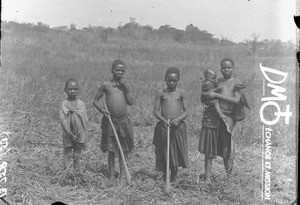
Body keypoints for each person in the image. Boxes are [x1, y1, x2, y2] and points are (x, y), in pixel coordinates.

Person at [198, 58, 249, 183]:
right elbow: (206, 96)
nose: (226, 69)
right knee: (209, 148)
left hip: (228, 118)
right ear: (220, 68)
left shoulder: (236, 82)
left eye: (229, 67)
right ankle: (208, 177)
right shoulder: (217, 81)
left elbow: (236, 100)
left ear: (233, 68)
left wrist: (217, 95)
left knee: (227, 149)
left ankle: (229, 179)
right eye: (224, 67)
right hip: (213, 116)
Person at [93, 59, 134, 180]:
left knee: (123, 149)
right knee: (111, 150)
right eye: (118, 70)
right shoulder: (106, 85)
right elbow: (95, 101)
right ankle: (111, 175)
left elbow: (131, 102)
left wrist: (126, 89)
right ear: (112, 71)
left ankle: (122, 174)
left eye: (122, 70)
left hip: (123, 121)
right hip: (110, 121)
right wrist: (102, 110)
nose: (120, 72)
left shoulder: (125, 86)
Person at [153, 67, 189, 182]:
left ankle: (173, 178)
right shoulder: (161, 92)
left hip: (177, 128)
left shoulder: (181, 92)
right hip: (164, 127)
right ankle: (165, 178)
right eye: (169, 80)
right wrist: (163, 119)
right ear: (165, 79)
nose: (172, 82)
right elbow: (156, 111)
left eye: (174, 80)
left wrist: (178, 119)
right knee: (164, 151)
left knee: (175, 153)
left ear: (178, 80)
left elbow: (186, 111)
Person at [59, 78, 89, 173]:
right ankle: (66, 174)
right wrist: (70, 133)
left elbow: (85, 120)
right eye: (70, 89)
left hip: (79, 132)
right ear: (65, 90)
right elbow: (63, 120)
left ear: (78, 90)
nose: (73, 91)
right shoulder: (64, 104)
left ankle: (78, 174)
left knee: (77, 154)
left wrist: (81, 135)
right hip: (68, 133)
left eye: (75, 89)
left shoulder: (81, 104)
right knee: (67, 153)